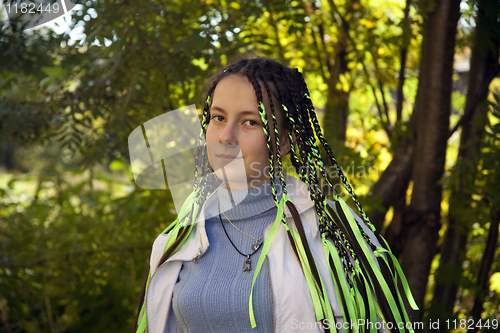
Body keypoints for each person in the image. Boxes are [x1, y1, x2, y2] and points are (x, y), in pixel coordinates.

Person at [134, 57, 418, 333]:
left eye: (250, 122)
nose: (225, 137)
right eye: (218, 118)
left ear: (284, 140)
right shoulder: (176, 241)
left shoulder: (335, 233)